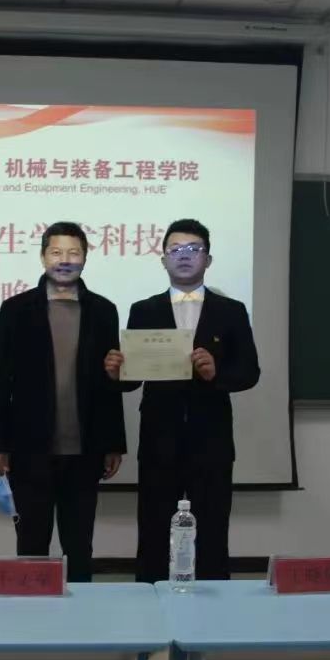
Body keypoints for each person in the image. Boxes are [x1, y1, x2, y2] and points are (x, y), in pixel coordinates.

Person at [104, 218, 260, 583]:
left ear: (208, 259)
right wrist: (115, 373)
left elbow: (249, 373)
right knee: (154, 528)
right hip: (159, 439)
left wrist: (216, 373)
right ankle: (151, 600)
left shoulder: (231, 310)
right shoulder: (144, 310)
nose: (184, 256)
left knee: (213, 528)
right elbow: (131, 382)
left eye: (194, 249)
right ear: (163, 260)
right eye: (175, 250)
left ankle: (213, 608)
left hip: (212, 440)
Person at [0, 221, 126, 582]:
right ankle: (31, 614)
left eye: (74, 252)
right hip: (30, 449)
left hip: (86, 450)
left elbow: (110, 382)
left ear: (85, 258)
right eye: (57, 252)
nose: (65, 260)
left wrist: (114, 442)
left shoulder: (103, 310)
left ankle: (80, 614)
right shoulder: (16, 309)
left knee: (79, 546)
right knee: (31, 544)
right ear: (43, 256)